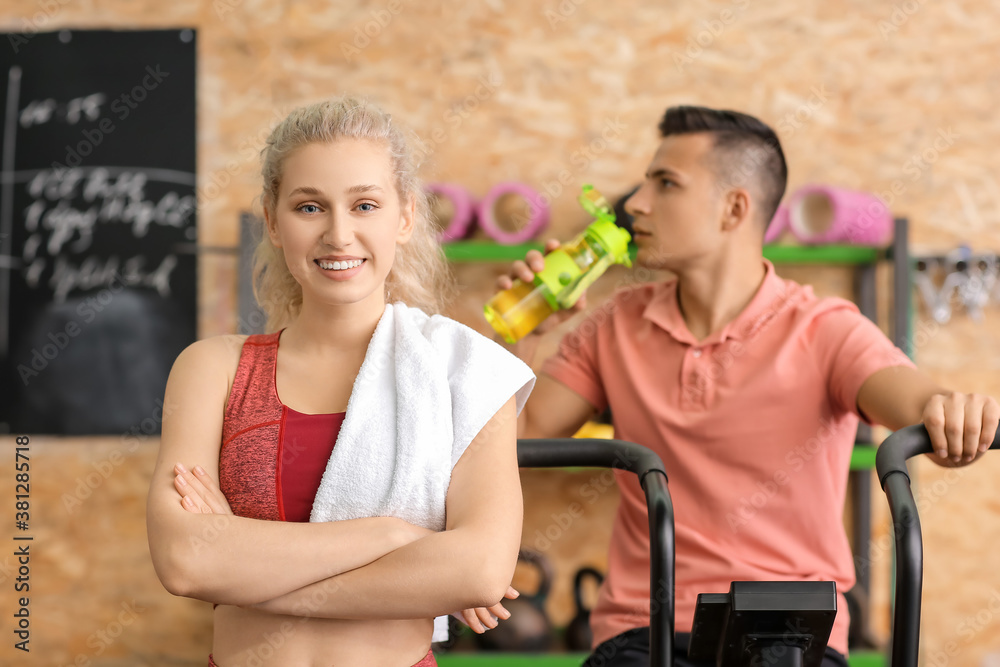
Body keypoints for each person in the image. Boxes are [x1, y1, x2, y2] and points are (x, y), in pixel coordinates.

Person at [499, 106, 1000, 667]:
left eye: (665, 183)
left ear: (734, 208)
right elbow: (517, 438)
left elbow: (914, 404)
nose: (635, 203)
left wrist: (950, 414)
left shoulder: (824, 329)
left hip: (790, 631)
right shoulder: (614, 324)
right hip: (645, 632)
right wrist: (526, 336)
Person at [146, 96, 535, 667]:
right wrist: (389, 538)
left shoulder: (464, 373)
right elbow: (185, 561)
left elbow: (478, 571)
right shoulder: (212, 369)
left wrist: (243, 572)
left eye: (365, 205)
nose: (338, 234)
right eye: (309, 207)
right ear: (273, 222)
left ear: (404, 217)